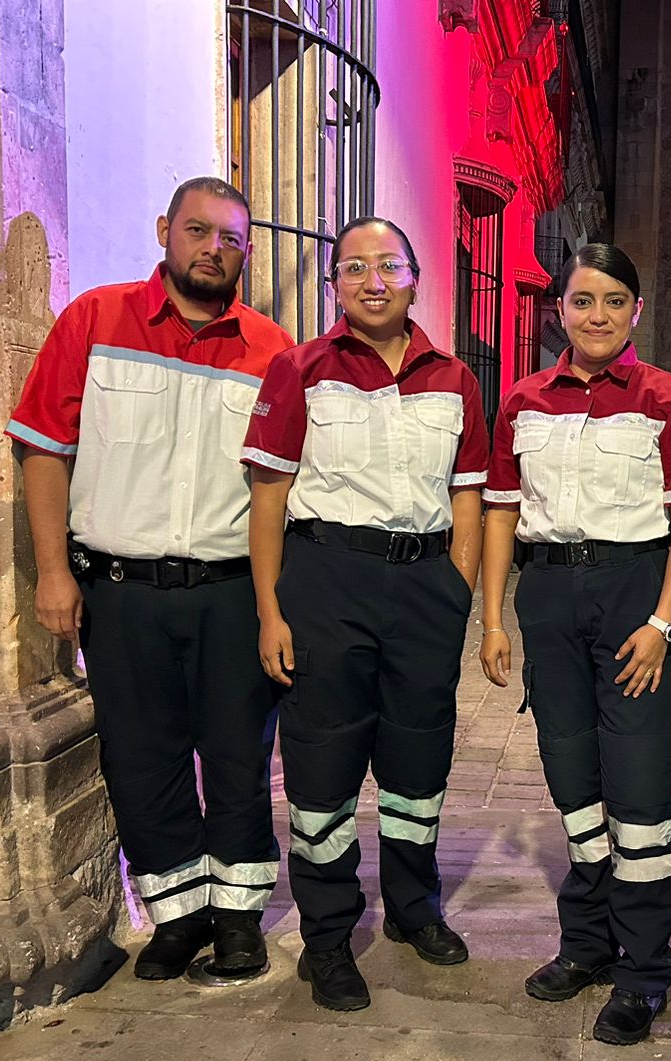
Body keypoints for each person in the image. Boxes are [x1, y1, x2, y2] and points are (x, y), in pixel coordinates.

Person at [7, 177, 293, 981]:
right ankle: (177, 915)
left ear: (246, 251)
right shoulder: (95, 320)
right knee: (142, 755)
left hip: (231, 589)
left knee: (239, 754)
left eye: (231, 238)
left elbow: (285, 485)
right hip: (119, 591)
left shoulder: (272, 351)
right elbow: (42, 448)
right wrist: (54, 573)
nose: (213, 249)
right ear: (165, 229)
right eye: (199, 231)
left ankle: (238, 914)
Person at [242, 217, 488, 1012]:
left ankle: (416, 910)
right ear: (334, 285)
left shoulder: (454, 378)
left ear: (416, 277)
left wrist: (458, 591)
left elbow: (468, 493)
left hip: (424, 587)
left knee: (419, 766)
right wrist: (270, 613)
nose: (373, 281)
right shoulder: (299, 370)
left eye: (389, 266)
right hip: (326, 583)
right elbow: (270, 497)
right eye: (354, 269)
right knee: (322, 766)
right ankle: (327, 938)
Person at [479, 244, 671, 1046]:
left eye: (616, 300)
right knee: (574, 783)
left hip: (631, 596)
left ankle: (644, 971)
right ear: (560, 313)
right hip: (548, 596)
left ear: (636, 312)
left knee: (641, 796)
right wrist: (494, 619)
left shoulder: (669, 400)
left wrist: (661, 622)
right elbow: (502, 511)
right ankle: (586, 945)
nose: (599, 315)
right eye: (584, 301)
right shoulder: (522, 401)